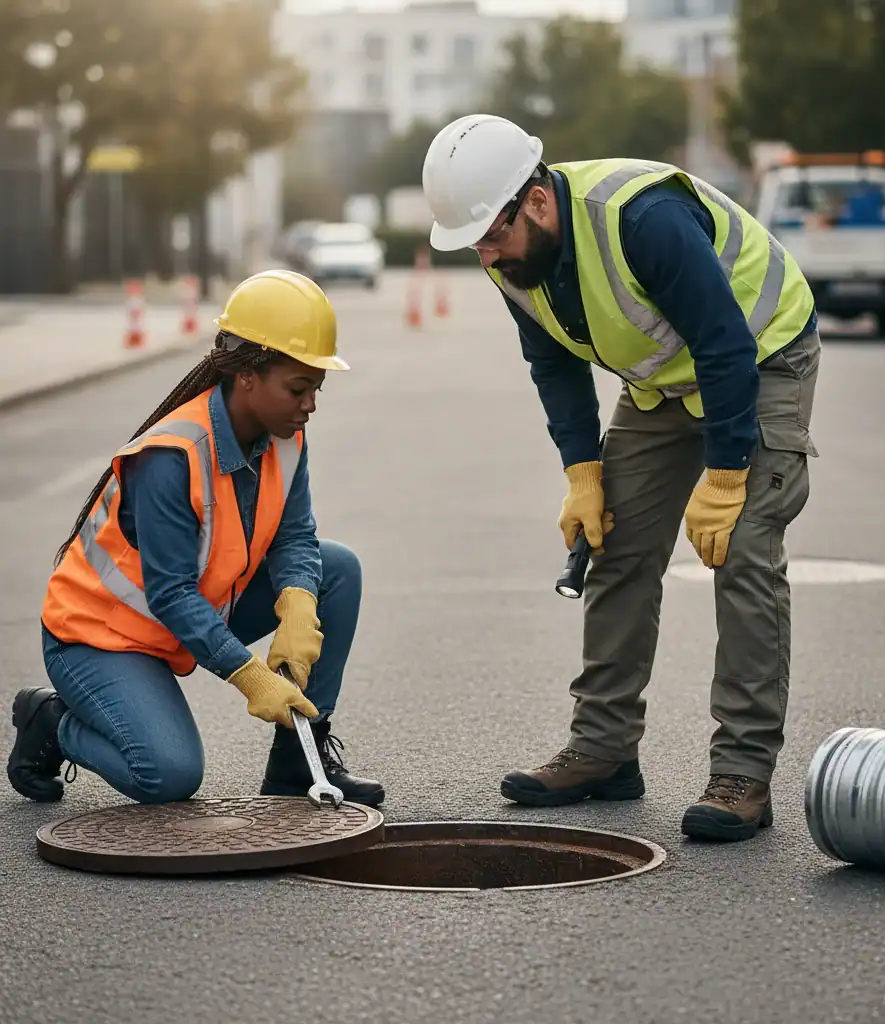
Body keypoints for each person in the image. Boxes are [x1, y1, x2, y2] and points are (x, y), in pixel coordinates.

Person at [421, 114, 821, 842]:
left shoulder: (643, 218)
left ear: (536, 202)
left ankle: (743, 774)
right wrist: (582, 472)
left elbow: (724, 344)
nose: (485, 255)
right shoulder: (510, 256)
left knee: (743, 554)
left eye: (492, 236)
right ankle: (604, 751)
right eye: (474, 242)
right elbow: (553, 362)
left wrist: (727, 476)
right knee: (617, 549)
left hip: (759, 358)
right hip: (663, 382)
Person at [6, 269, 384, 809]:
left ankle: (298, 763)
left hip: (184, 617)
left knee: (337, 569)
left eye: (316, 389)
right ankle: (51, 723)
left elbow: (296, 534)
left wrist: (299, 602)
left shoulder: (286, 435)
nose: (310, 405)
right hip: (98, 638)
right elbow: (170, 594)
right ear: (248, 376)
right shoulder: (171, 457)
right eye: (298, 389)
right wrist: (251, 675)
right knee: (169, 775)